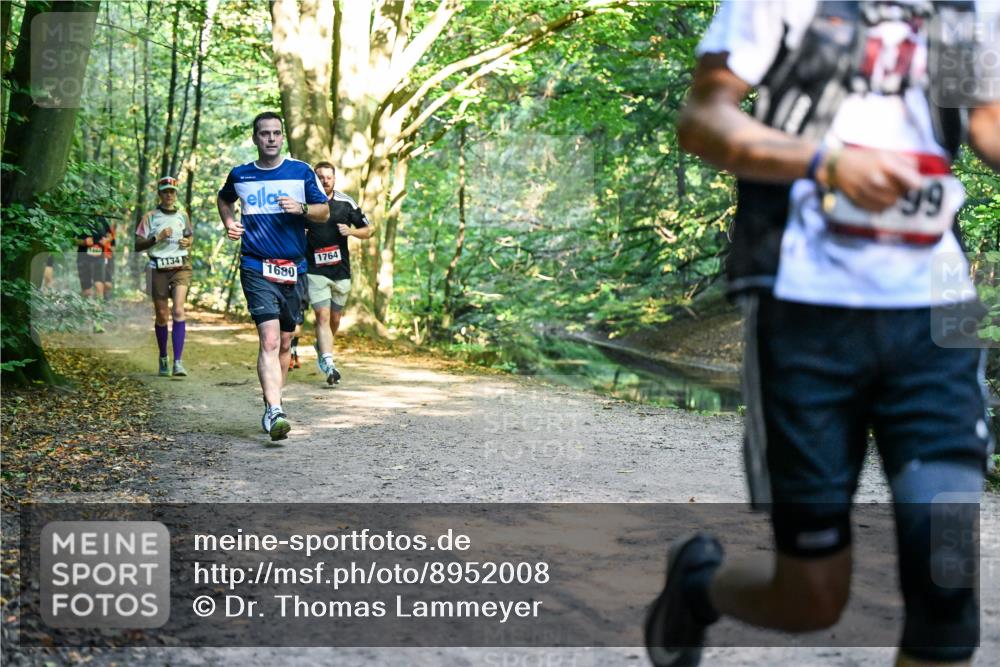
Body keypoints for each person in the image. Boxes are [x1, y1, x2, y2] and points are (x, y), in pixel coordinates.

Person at [645, 2, 1000, 667]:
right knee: (811, 598)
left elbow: (986, 124)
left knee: (946, 578)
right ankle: (698, 583)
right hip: (804, 311)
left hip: (936, 312)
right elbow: (703, 118)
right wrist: (826, 162)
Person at [217, 112, 329, 441]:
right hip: (256, 265)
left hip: (294, 267)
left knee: (284, 343)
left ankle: (274, 404)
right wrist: (229, 222)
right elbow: (224, 198)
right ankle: (275, 409)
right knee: (268, 339)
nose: (270, 138)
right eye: (264, 133)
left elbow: (323, 211)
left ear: (282, 138)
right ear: (255, 138)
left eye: (276, 133)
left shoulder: (301, 172)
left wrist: (303, 209)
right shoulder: (241, 175)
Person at [307, 161, 372, 385]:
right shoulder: (306, 203)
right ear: (314, 179)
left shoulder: (346, 203)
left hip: (340, 271)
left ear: (335, 179)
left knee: (335, 319)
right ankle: (329, 364)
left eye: (329, 177)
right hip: (314, 270)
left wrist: (351, 231)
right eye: (320, 177)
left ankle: (322, 346)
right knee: (322, 317)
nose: (325, 180)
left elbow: (369, 230)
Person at [135, 176, 194, 377]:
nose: (169, 195)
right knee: (162, 315)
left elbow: (189, 234)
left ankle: (178, 362)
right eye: (165, 191)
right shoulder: (150, 217)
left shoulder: (183, 215)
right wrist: (156, 238)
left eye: (172, 192)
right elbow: (137, 245)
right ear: (160, 194)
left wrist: (188, 242)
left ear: (176, 194)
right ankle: (163, 357)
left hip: (181, 266)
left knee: (178, 310)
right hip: (156, 267)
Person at [76, 215, 111, 332]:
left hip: (98, 257)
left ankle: (97, 323)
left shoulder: (101, 219)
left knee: (99, 286)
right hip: (83, 257)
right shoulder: (80, 218)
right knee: (87, 292)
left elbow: (110, 235)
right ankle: (82, 314)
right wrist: (83, 242)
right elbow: (71, 239)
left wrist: (106, 240)